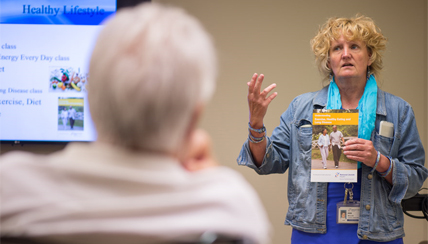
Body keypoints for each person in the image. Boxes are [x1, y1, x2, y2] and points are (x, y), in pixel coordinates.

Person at [0, 3, 270, 244]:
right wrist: (210, 184)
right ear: (193, 119)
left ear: (90, 100)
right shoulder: (230, 208)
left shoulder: (10, 187)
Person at [237, 14, 427, 243]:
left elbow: (415, 181)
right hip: (313, 231)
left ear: (369, 56)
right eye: (337, 48)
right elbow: (268, 163)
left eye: (354, 46)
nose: (346, 54)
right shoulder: (301, 108)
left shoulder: (399, 111)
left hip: (378, 233)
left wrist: (379, 160)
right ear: (329, 61)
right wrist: (256, 124)